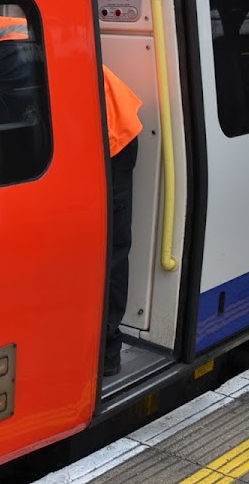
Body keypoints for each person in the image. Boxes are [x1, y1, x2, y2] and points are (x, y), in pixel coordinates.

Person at [102, 66, 142, 377]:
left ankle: (108, 352)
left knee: (111, 250)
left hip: (114, 140)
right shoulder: (5, 34)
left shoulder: (6, 50)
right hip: (96, 136)